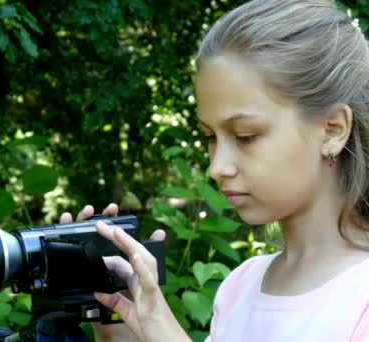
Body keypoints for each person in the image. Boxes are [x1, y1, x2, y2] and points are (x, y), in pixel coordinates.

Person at [60, 0, 369, 340]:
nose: (217, 167)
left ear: (332, 129)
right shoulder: (241, 285)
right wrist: (119, 321)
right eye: (210, 136)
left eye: (245, 136)